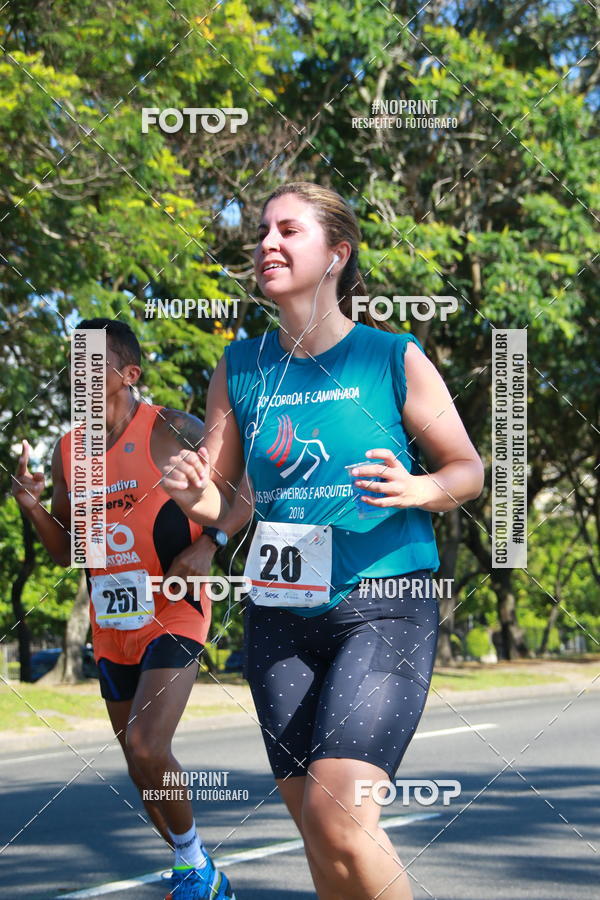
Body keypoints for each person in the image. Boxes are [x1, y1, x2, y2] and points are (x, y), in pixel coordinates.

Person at [161, 182, 484, 899]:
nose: (266, 244)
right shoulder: (238, 367)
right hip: (280, 610)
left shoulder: (390, 357)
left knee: (342, 816)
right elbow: (233, 502)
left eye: (287, 230)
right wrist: (195, 495)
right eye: (261, 233)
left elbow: (468, 469)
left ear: (337, 253)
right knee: (316, 826)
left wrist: (420, 488)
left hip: (385, 601)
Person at [11, 318, 249, 900]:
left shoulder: (170, 428)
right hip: (112, 624)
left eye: (89, 362)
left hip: (174, 607)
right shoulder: (70, 449)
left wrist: (209, 544)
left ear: (127, 374)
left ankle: (195, 866)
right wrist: (31, 507)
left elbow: (247, 486)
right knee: (141, 768)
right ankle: (196, 870)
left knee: (146, 743)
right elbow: (70, 547)